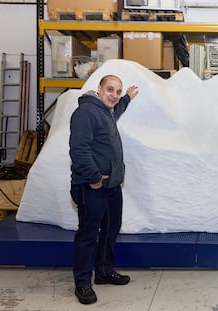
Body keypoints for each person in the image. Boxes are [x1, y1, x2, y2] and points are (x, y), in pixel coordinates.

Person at [69, 75, 139, 304]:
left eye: (117, 91)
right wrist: (94, 177)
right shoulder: (86, 112)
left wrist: (127, 98)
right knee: (88, 234)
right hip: (92, 186)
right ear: (98, 89)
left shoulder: (106, 111)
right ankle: (82, 283)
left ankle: (104, 271)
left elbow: (116, 111)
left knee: (110, 230)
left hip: (111, 186)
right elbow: (79, 150)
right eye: (110, 90)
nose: (114, 95)